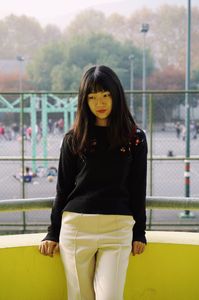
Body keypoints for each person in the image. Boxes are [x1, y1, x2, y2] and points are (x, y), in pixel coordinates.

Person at [39, 65, 147, 300]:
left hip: (118, 228)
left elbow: (138, 187)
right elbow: (64, 188)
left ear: (116, 95)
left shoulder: (135, 138)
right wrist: (52, 233)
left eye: (106, 95)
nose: (100, 102)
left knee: (110, 296)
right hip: (76, 227)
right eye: (93, 97)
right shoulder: (74, 138)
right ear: (84, 101)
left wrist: (139, 232)